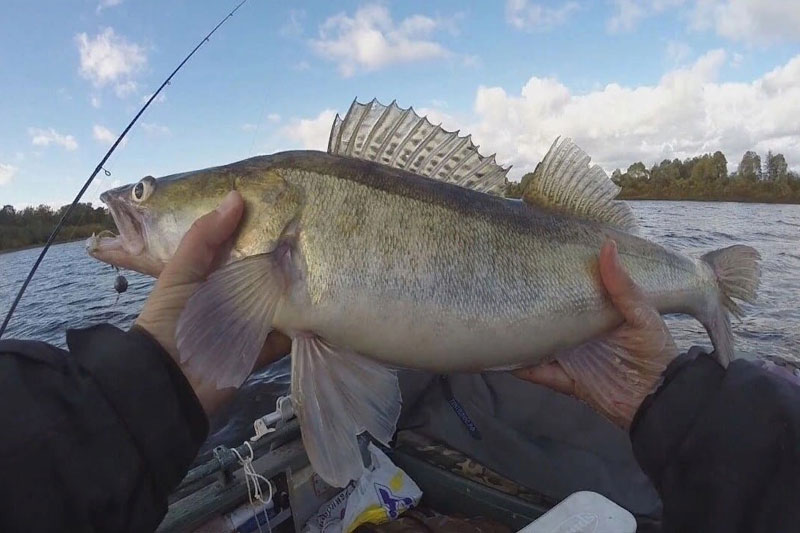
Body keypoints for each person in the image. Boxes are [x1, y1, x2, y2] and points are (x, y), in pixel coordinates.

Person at [0, 191, 798, 532]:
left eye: (145, 191)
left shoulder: (265, 251)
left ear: (241, 208)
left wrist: (142, 389)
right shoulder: (275, 278)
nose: (130, 204)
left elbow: (199, 347)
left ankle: (700, 285)